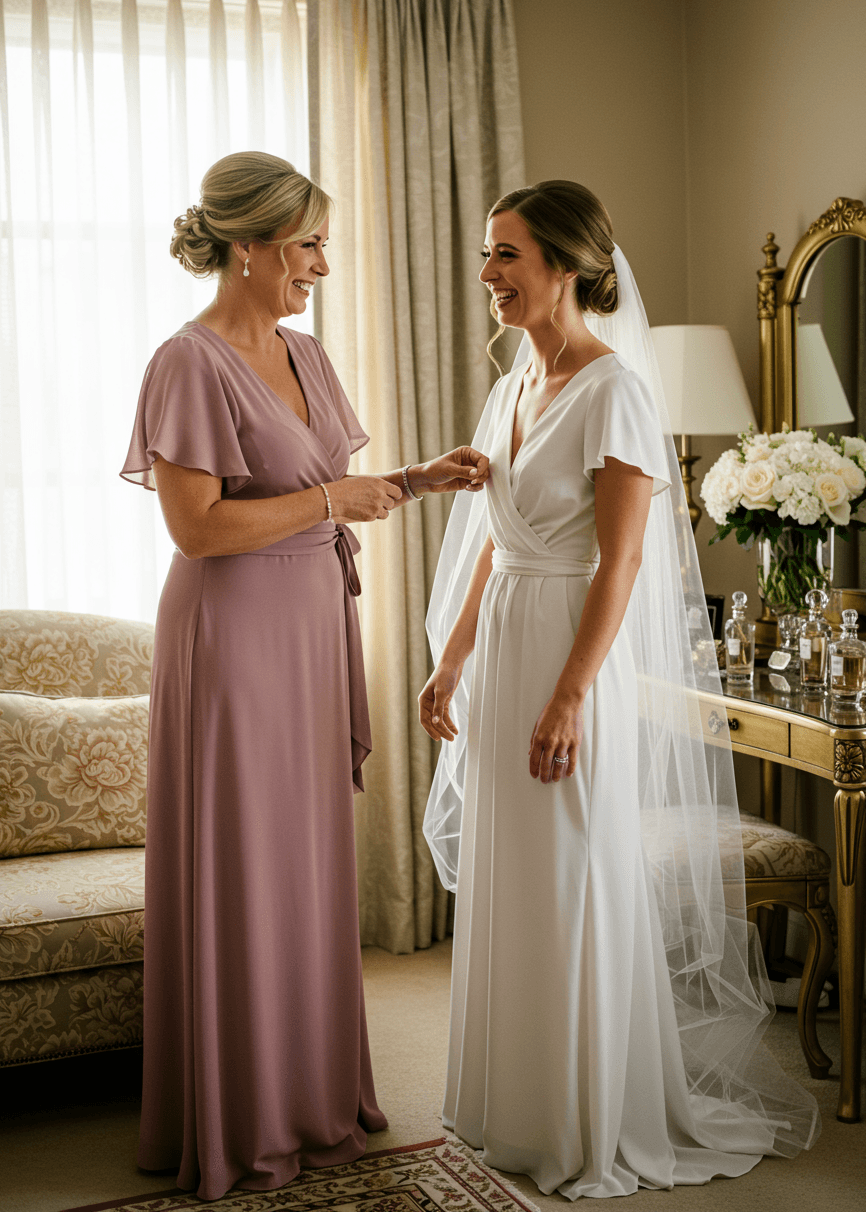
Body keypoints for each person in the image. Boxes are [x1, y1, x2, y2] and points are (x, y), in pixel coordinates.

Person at [419, 181, 820, 1200]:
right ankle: (508, 1102)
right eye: (485, 254)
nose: (488, 275)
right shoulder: (512, 383)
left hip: (568, 655)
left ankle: (583, 1115)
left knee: (566, 875)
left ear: (564, 263)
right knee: (515, 876)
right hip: (507, 638)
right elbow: (494, 545)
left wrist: (566, 699)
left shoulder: (615, 390)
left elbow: (620, 563)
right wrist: (452, 656)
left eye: (505, 254)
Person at [120, 151, 490, 1201]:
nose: (321, 263)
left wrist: (412, 479)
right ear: (249, 248)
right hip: (232, 633)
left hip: (310, 621)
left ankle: (313, 1090)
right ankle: (240, 1108)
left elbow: (327, 482)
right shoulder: (184, 362)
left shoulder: (304, 353)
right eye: (308, 245)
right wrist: (335, 502)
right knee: (246, 857)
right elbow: (196, 527)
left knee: (305, 855)